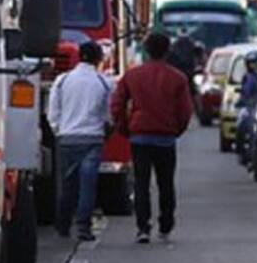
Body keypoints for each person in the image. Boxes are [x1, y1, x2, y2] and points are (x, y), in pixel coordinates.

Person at [111, 31, 194, 244]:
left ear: (147, 50)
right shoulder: (177, 78)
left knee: (141, 184)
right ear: (168, 51)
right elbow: (185, 112)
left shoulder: (132, 76)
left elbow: (117, 105)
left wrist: (124, 128)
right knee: (166, 183)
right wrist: (176, 130)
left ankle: (143, 227)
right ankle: (165, 224)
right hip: (165, 138)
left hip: (139, 136)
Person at [47, 41, 113, 241]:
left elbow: (53, 112)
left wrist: (59, 130)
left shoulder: (62, 80)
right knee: (88, 184)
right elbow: (108, 114)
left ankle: (63, 224)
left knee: (68, 184)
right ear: (98, 59)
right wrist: (105, 130)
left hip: (67, 139)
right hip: (93, 139)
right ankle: (83, 227)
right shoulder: (103, 83)